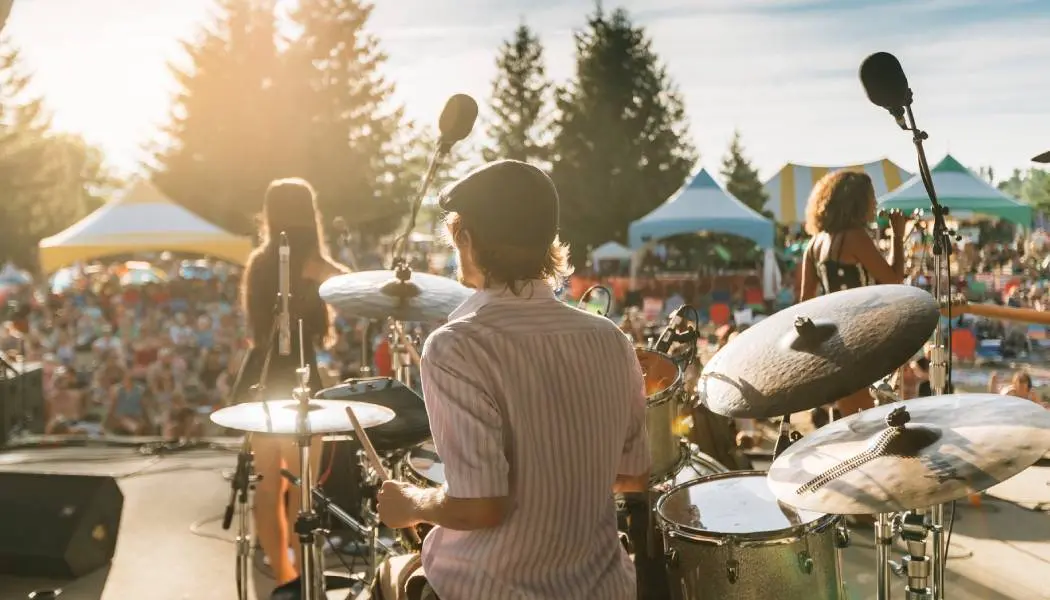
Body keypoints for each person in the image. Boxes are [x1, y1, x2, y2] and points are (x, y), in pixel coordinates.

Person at [374, 160, 649, 600]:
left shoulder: (455, 347)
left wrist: (411, 504)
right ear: (547, 242)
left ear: (467, 239)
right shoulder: (611, 340)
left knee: (389, 576)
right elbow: (633, 477)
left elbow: (481, 506)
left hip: (493, 589)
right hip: (604, 588)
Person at [238, 178, 348, 585]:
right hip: (299, 375)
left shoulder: (258, 264)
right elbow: (351, 286)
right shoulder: (309, 262)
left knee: (267, 489)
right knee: (302, 489)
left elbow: (255, 332)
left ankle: (284, 579)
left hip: (260, 379)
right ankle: (306, 577)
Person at [799, 171, 908, 423]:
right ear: (857, 202)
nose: (875, 204)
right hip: (862, 339)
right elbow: (894, 281)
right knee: (866, 424)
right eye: (872, 198)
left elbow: (805, 302)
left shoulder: (814, 245)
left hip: (833, 343)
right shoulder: (855, 238)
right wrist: (898, 237)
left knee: (842, 422)